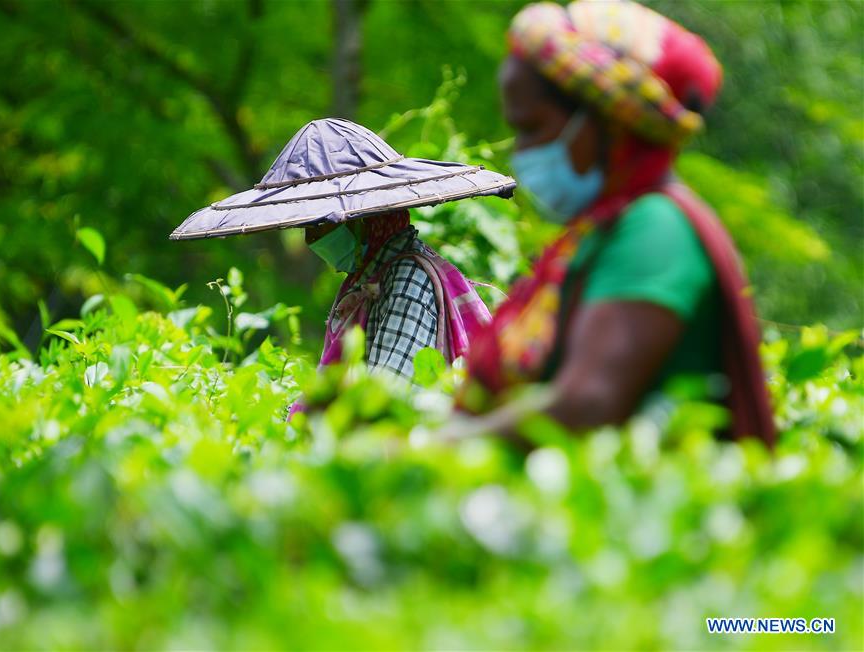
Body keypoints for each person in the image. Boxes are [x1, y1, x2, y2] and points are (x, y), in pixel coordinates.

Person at [458, 0, 775, 445]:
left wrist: (420, 451)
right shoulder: (595, 232)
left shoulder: (657, 229)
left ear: (606, 122)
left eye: (532, 127)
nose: (521, 151)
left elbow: (586, 404)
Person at [170, 117, 516, 379]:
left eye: (324, 224)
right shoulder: (367, 280)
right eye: (308, 226)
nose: (312, 239)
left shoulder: (406, 279)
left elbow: (384, 398)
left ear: (366, 220)